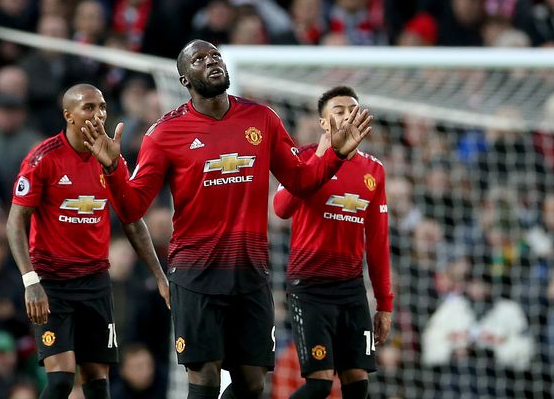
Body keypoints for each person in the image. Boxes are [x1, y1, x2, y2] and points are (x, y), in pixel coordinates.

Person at [80, 39, 372, 399]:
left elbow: (300, 180)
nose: (212, 61)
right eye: (199, 60)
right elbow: (132, 208)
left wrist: (336, 156)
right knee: (205, 382)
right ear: (184, 79)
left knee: (251, 384)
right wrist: (112, 168)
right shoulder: (165, 134)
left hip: (250, 273)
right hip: (196, 274)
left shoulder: (262, 119)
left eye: (215, 55)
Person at [6, 83, 169, 399]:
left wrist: (159, 275)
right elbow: (15, 224)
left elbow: (132, 220)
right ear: (68, 115)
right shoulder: (43, 159)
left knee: (98, 383)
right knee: (61, 380)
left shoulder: (110, 160)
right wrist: (30, 281)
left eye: (103, 107)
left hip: (95, 282)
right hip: (52, 282)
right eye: (89, 108)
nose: (99, 115)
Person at [273, 86, 392, 399]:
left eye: (352, 108)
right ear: (324, 123)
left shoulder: (374, 170)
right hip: (310, 288)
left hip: (351, 289)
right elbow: (280, 209)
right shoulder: (302, 158)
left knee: (358, 385)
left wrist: (384, 304)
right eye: (339, 110)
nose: (347, 113)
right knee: (320, 384)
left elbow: (378, 241)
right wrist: (326, 159)